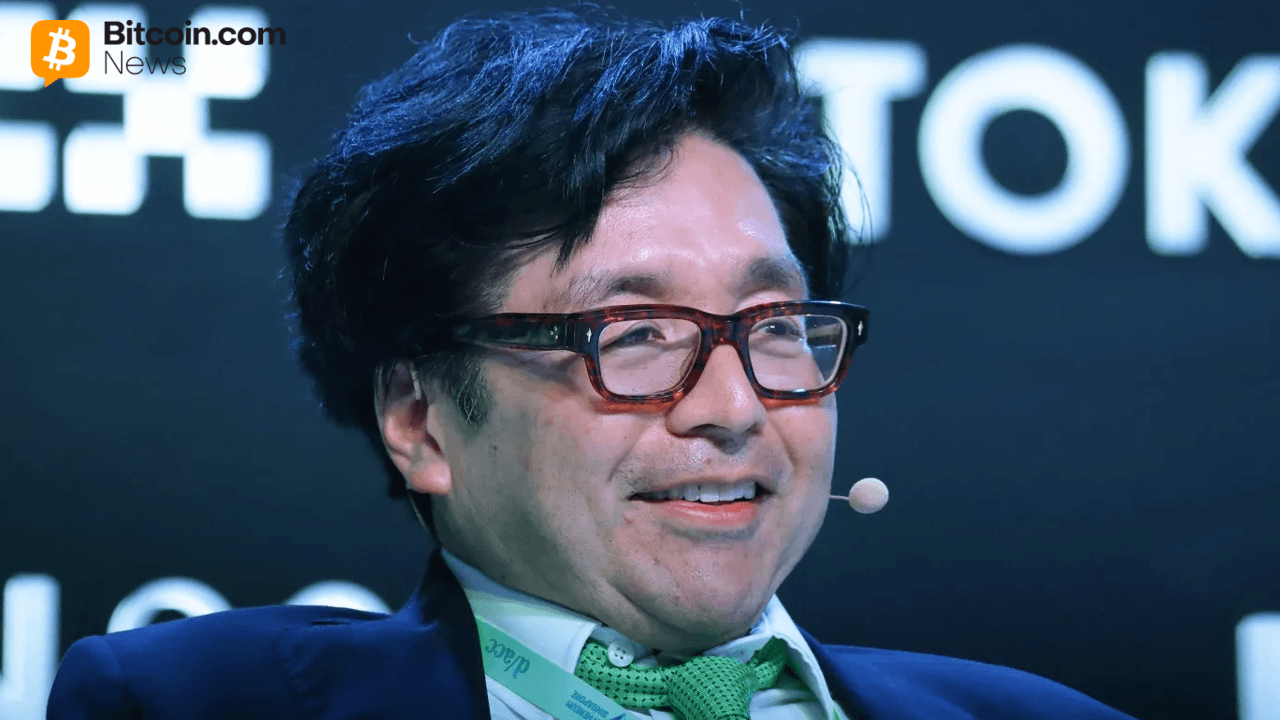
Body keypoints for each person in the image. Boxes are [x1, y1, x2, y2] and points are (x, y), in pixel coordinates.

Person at [47, 10, 1136, 720]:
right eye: (634, 333)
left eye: (772, 323)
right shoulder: (193, 703)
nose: (733, 408)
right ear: (421, 419)